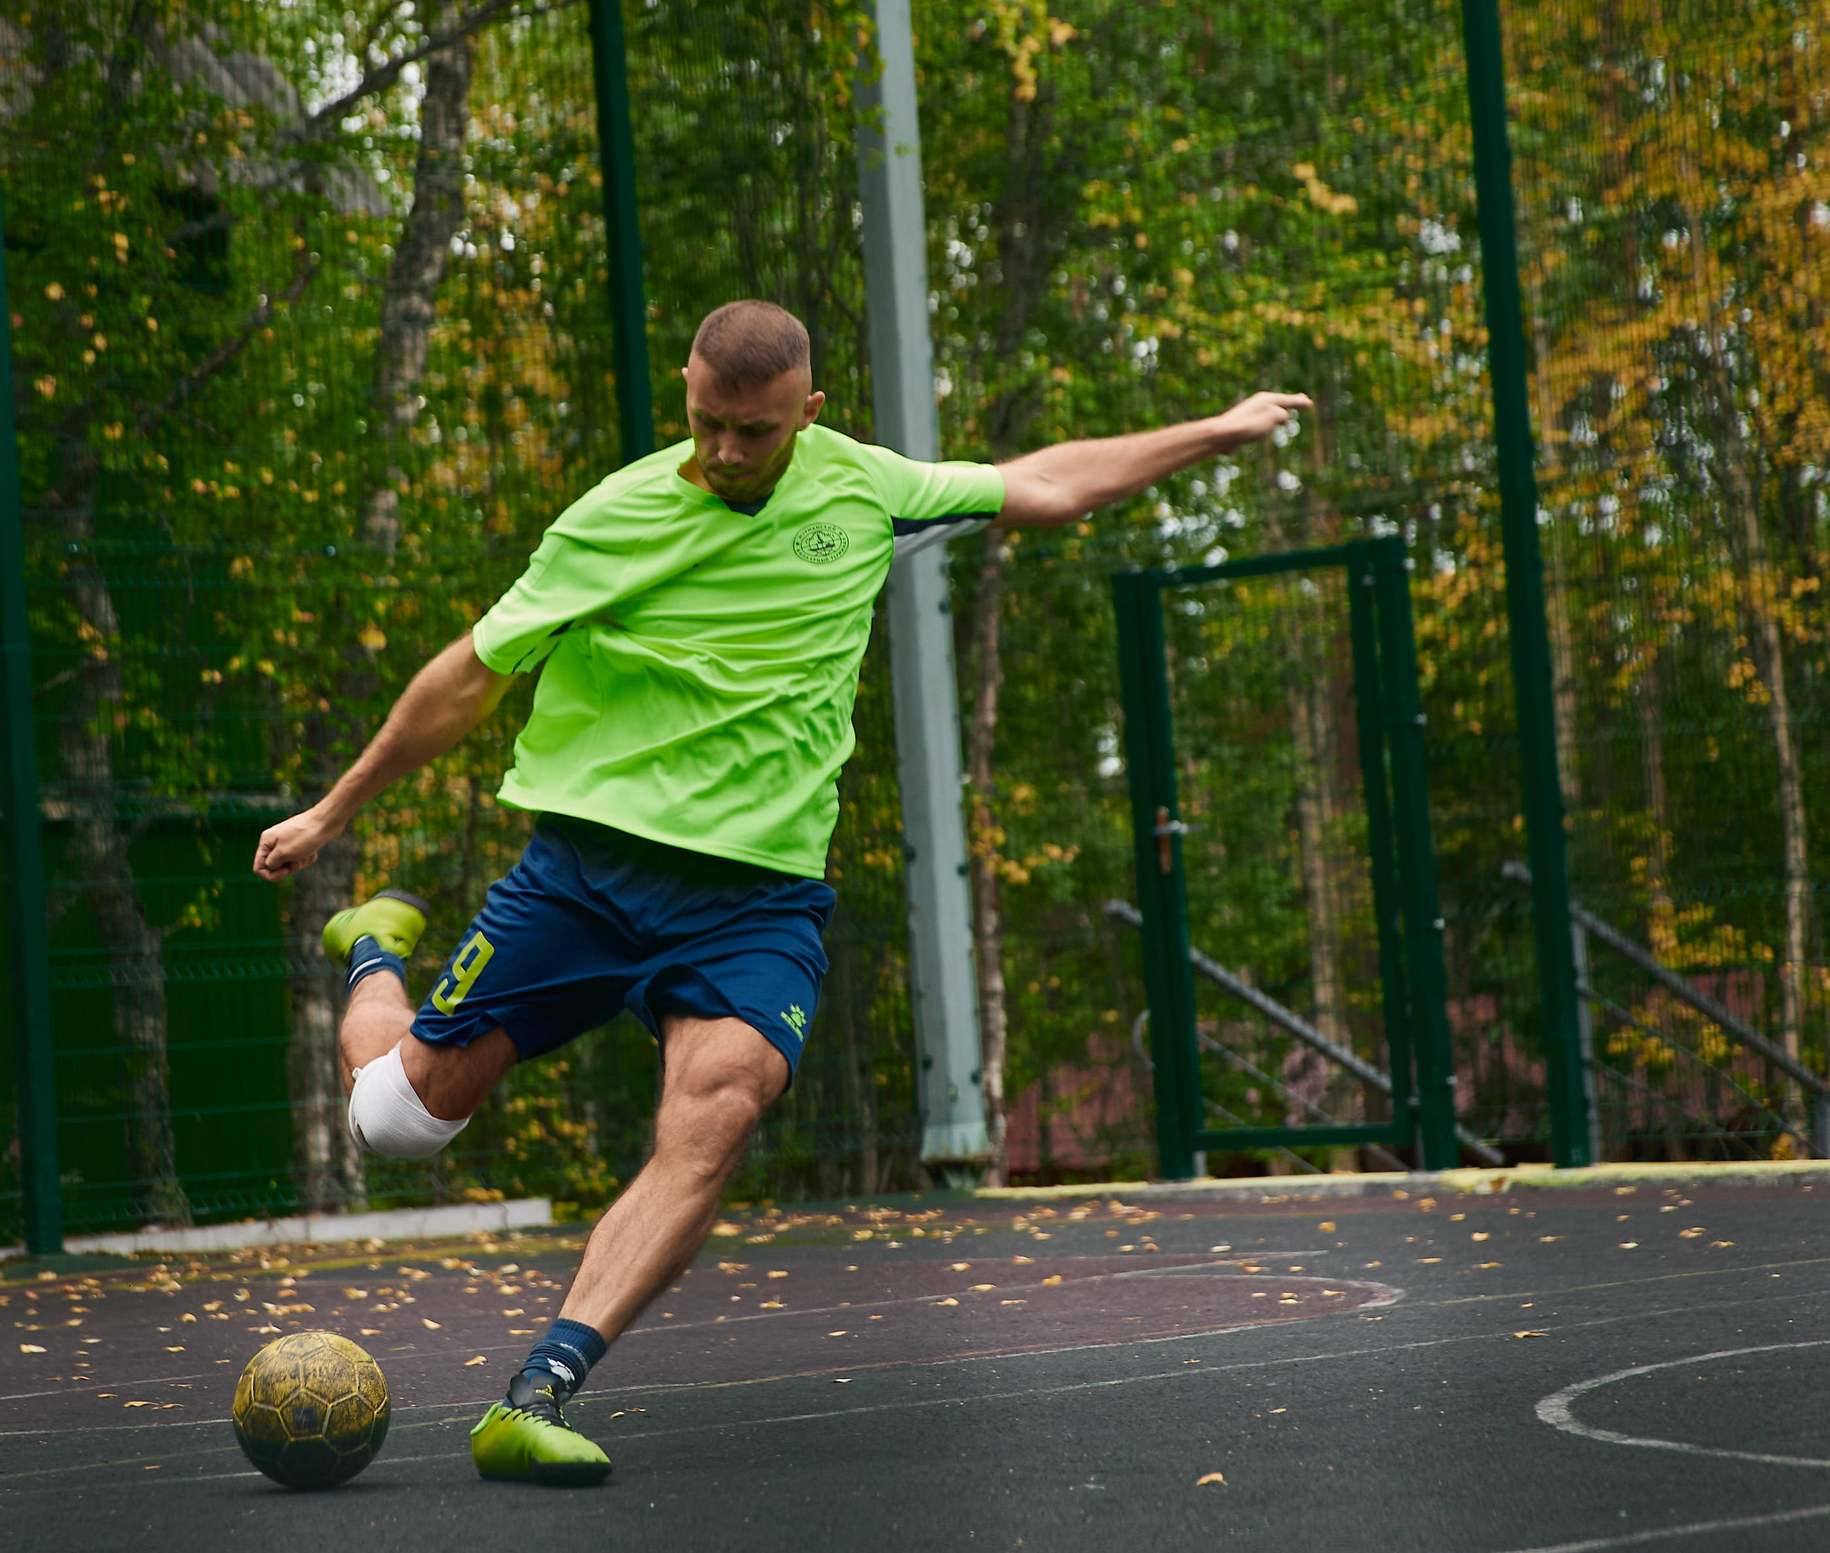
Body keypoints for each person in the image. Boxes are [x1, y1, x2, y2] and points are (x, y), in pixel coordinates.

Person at [254, 299, 1311, 1483]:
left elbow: (1048, 484)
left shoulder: (865, 489)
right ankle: (373, 948)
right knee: (397, 1123)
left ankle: (538, 1387)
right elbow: (467, 676)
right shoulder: (614, 517)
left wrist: (1214, 433)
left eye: (750, 434)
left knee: (721, 1106)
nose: (721, 453)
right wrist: (334, 811)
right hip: (589, 872)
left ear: (806, 416)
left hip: (756, 899)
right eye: (705, 424)